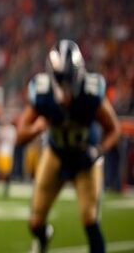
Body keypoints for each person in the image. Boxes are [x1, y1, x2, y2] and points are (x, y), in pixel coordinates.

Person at [16, 40, 121, 253]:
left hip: (85, 158)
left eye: (69, 79)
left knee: (90, 220)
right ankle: (44, 237)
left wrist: (98, 150)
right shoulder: (43, 92)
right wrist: (37, 128)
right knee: (35, 222)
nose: (65, 87)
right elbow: (20, 135)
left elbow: (114, 129)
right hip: (55, 155)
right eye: (61, 80)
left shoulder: (91, 92)